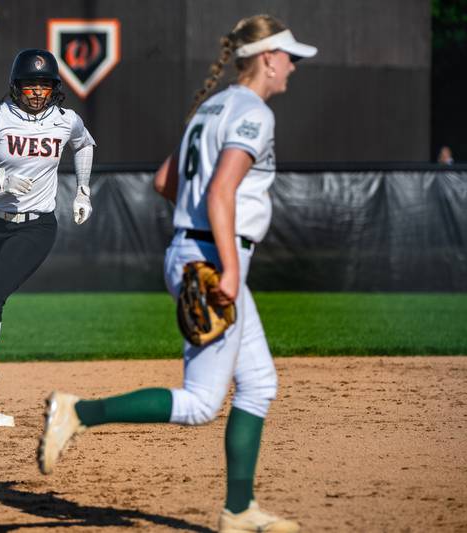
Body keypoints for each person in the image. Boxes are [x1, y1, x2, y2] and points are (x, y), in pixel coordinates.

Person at [37, 14, 316, 533]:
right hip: (213, 258)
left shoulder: (211, 107)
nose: (293, 68)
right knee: (201, 402)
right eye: (290, 57)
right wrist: (228, 266)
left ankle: (239, 511)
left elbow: (165, 181)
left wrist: (199, 240)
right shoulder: (253, 111)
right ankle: (76, 412)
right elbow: (220, 192)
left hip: (196, 251)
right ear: (268, 57)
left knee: (258, 385)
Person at [0, 49, 96, 417]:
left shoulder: (66, 120)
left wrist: (83, 189)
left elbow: (84, 143)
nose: (38, 91)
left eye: (44, 84)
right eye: (30, 84)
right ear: (16, 87)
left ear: (54, 88)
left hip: (36, 225)